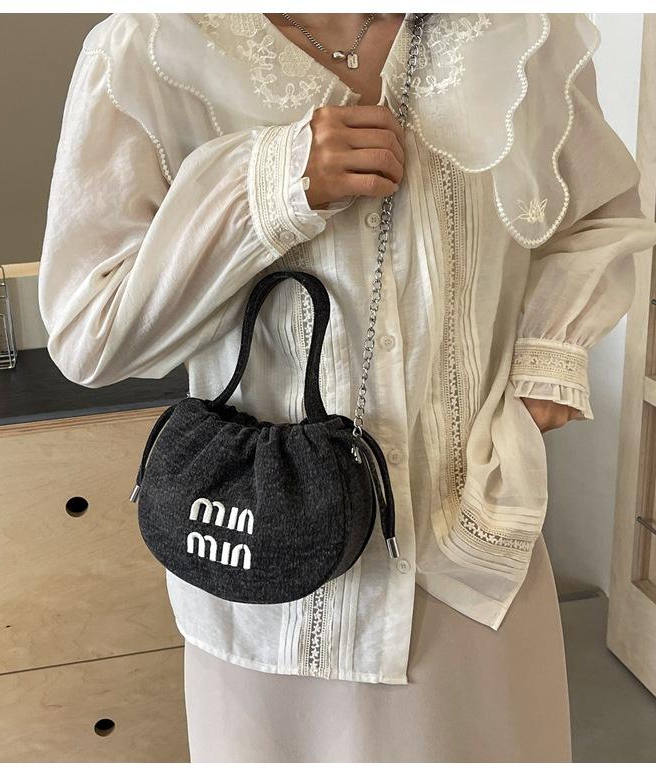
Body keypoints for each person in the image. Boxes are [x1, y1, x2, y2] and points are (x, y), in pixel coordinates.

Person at [37, 12, 656, 762]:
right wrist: (268, 186)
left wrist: (549, 360)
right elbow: (90, 332)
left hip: (470, 545)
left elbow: (600, 216)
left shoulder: (520, 29)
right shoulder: (149, 50)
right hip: (271, 583)